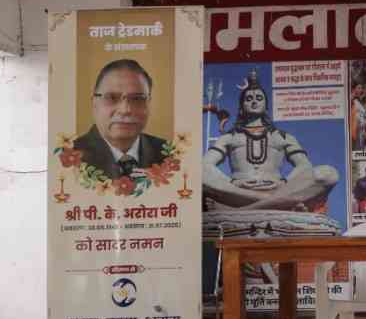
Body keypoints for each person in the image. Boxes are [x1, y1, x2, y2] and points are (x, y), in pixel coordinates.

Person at [202, 71, 339, 211]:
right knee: (197, 171)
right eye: (248, 99)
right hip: (237, 190)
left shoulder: (283, 136)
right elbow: (205, 165)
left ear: (266, 105)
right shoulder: (229, 137)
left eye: (259, 98)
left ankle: (240, 209)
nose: (254, 101)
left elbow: (304, 166)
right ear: (241, 107)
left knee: (328, 174)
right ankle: (278, 203)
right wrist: (232, 183)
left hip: (278, 189)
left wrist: (284, 182)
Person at [73, 59, 168, 180]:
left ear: (148, 103)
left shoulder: (170, 155)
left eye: (137, 99)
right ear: (94, 103)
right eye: (112, 97)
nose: (125, 110)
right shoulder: (70, 157)